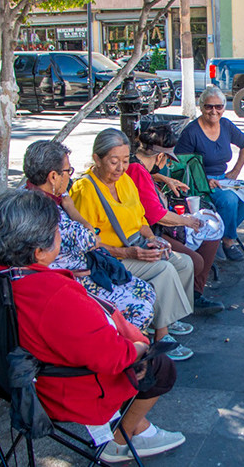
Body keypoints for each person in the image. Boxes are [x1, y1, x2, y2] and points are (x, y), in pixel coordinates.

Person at [0, 189, 185, 463]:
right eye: (58, 230)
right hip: (54, 388)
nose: (62, 234)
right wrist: (140, 346)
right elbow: (112, 357)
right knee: (160, 365)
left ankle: (138, 428)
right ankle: (119, 440)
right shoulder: (52, 293)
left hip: (5, 372)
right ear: (38, 250)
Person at [70, 128, 196, 361]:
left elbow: (140, 221)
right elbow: (86, 244)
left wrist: (152, 239)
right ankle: (161, 335)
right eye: (114, 162)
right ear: (97, 159)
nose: (120, 168)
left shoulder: (126, 181)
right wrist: (128, 252)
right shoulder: (84, 191)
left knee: (184, 263)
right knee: (163, 268)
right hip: (107, 259)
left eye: (125, 161)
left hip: (134, 247)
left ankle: (167, 317)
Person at [23, 140, 156, 332]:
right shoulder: (51, 211)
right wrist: (71, 207)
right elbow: (92, 238)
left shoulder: (26, 196)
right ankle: (117, 349)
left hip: (73, 273)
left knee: (145, 290)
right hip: (67, 283)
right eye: (67, 171)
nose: (69, 177)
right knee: (141, 308)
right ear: (53, 176)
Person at [126, 123, 224, 312]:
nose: (166, 166)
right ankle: (181, 301)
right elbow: (157, 215)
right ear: (160, 156)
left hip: (151, 228)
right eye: (167, 161)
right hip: (148, 232)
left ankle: (195, 295)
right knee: (196, 260)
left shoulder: (138, 166)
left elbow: (146, 176)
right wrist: (188, 221)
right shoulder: (136, 170)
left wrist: (164, 178)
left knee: (209, 235)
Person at [175, 85, 244, 261]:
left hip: (224, 178)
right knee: (229, 200)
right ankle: (228, 242)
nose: (214, 111)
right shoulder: (192, 131)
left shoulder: (225, 125)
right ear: (201, 107)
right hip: (200, 183)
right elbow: (181, 164)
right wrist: (205, 180)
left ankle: (218, 233)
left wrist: (236, 170)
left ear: (224, 107)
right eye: (209, 106)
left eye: (218, 106)